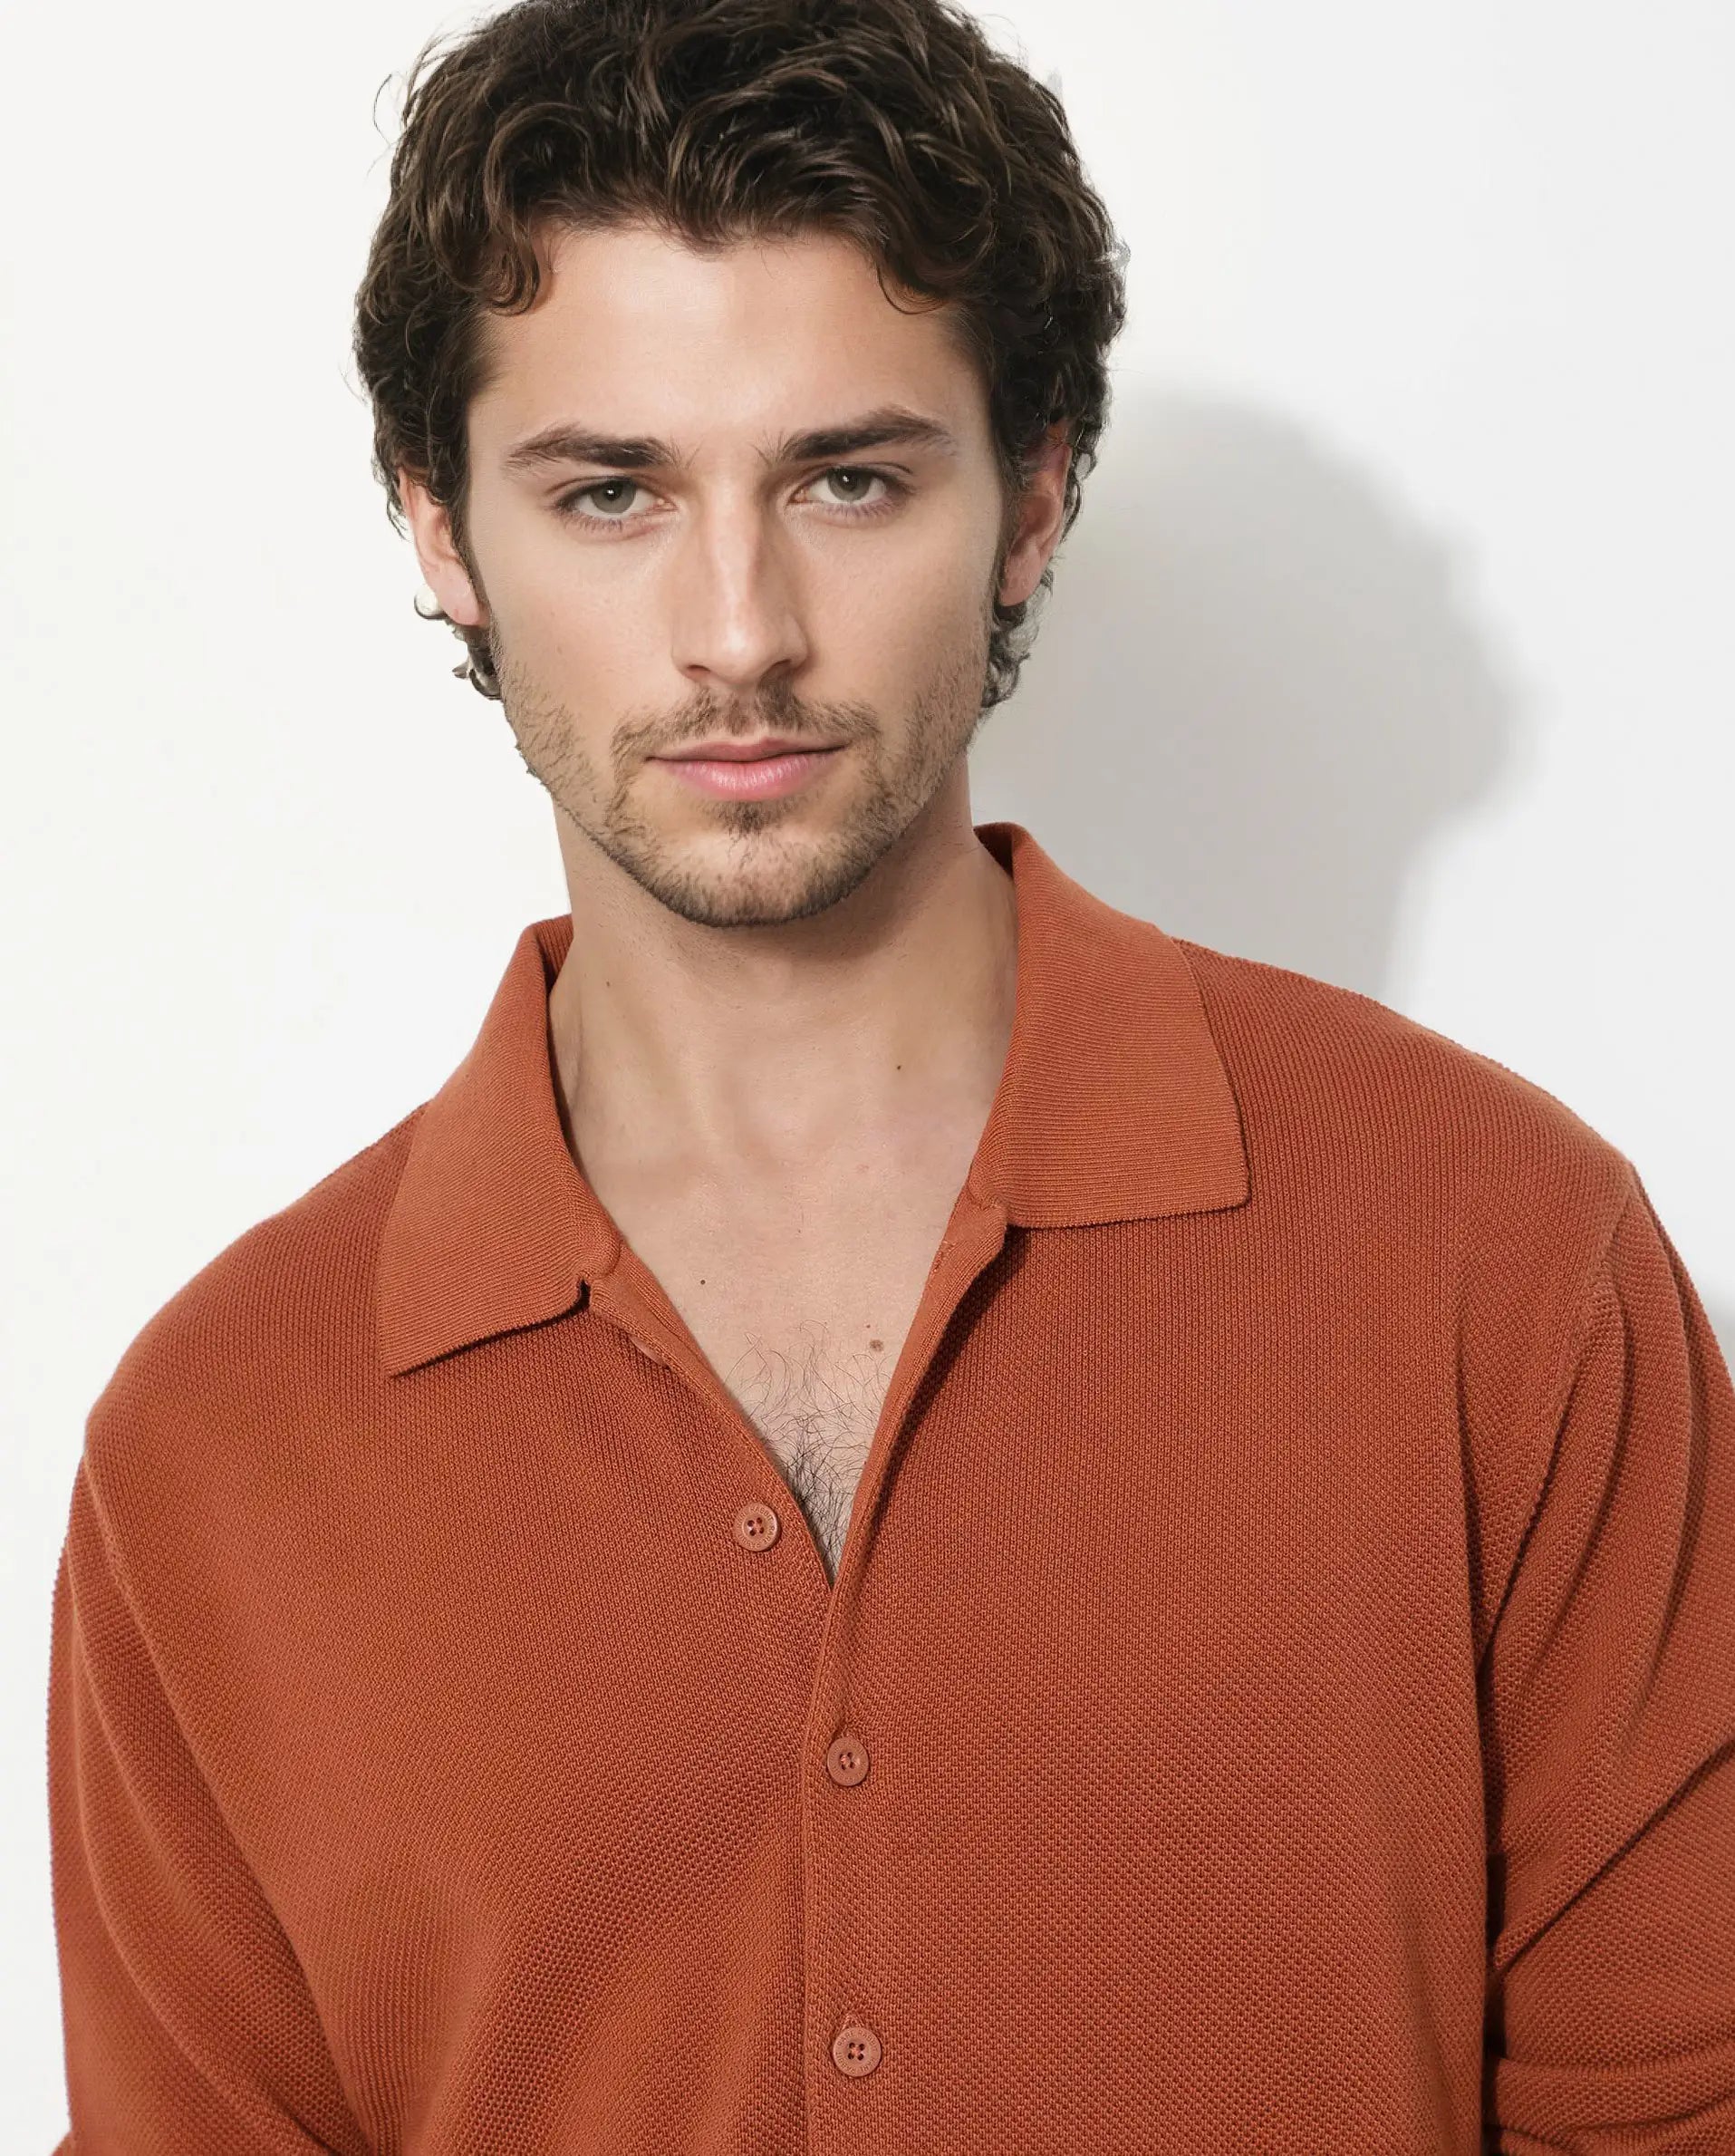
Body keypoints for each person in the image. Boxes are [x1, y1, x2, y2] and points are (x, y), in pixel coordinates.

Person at [44, 0, 1735, 2151]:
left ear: (1030, 498)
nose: (740, 626)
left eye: (846, 479)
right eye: (610, 492)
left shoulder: (1490, 1250)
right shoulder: (223, 1442)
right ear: (440, 526)